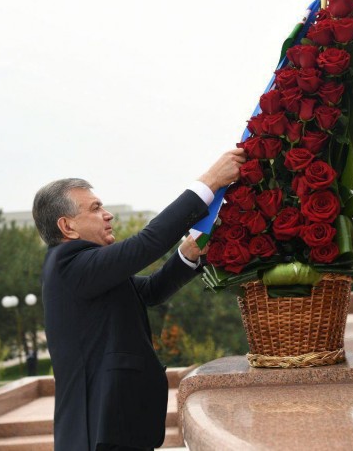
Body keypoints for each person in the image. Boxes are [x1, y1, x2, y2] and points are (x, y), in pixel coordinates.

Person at [32, 148, 244, 451]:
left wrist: (187, 253)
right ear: (67, 226)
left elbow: (151, 291)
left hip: (116, 425)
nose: (107, 214)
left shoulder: (86, 269)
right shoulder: (70, 264)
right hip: (98, 434)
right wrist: (209, 182)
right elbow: (147, 243)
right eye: (94, 208)